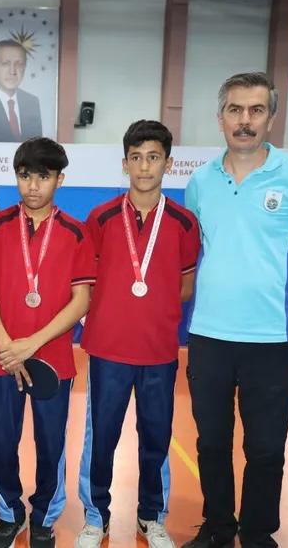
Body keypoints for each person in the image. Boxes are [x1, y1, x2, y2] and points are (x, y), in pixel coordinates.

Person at [182, 72, 288, 548]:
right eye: (235, 110)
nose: (244, 120)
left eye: (256, 110)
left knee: (266, 448)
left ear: (271, 118)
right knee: (211, 443)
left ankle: (257, 532)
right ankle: (218, 527)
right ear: (220, 117)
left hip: (273, 338)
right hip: (209, 335)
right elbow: (191, 258)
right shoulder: (200, 181)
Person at [75, 120, 200, 548]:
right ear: (124, 163)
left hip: (159, 351)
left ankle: (151, 517)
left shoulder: (184, 222)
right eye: (136, 157)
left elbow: (185, 287)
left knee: (156, 438)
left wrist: (152, 311)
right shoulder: (101, 218)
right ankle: (96, 516)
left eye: (153, 157)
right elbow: (87, 282)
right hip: (108, 350)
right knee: (101, 438)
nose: (145, 166)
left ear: (168, 163)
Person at [0, 137, 95, 548]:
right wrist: (7, 344)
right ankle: (9, 513)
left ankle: (43, 515)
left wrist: (32, 343)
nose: (32, 185)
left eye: (43, 177)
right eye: (25, 175)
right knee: (2, 442)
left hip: (53, 359)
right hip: (3, 358)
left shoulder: (76, 233)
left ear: (59, 180)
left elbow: (81, 300)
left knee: (51, 444)